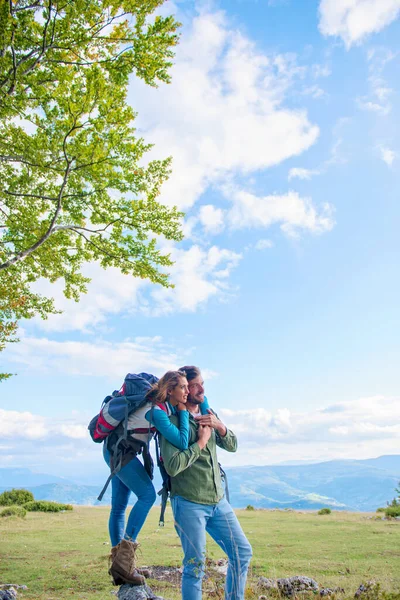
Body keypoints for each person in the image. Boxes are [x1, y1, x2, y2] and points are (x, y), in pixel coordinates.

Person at [159, 365, 253, 600]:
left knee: (241, 552)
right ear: (182, 390)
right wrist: (200, 442)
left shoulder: (208, 413)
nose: (201, 389)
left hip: (218, 501)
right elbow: (172, 466)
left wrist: (219, 426)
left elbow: (232, 445)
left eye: (202, 383)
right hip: (189, 502)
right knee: (194, 566)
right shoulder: (170, 424)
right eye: (194, 385)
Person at [106, 370, 194, 585]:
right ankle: (124, 565)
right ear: (170, 390)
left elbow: (201, 399)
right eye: (183, 387)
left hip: (116, 448)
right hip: (120, 452)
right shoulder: (157, 411)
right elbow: (182, 442)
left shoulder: (161, 405)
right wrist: (183, 412)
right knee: (146, 496)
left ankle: (121, 567)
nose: (187, 391)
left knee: (119, 506)